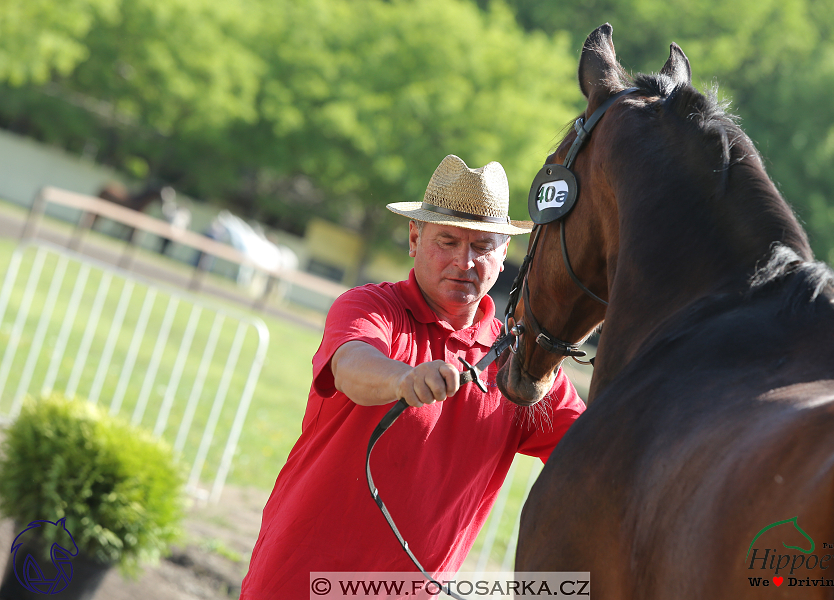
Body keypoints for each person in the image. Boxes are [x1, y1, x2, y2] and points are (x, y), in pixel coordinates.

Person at [240, 155, 585, 599]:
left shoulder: (522, 363)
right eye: (447, 241)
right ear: (414, 238)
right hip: (299, 580)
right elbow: (351, 366)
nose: (465, 261)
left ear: (504, 258)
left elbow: (593, 448)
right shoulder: (370, 307)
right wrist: (404, 380)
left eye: (483, 246)